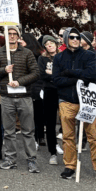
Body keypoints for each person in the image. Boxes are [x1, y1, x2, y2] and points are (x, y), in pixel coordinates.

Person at [49, 27, 96, 182]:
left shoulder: (89, 55)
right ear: (66, 39)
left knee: (94, 137)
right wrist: (78, 78)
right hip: (66, 101)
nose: (75, 40)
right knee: (68, 136)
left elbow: (91, 74)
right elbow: (57, 80)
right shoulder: (59, 58)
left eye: (78, 37)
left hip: (87, 101)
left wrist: (69, 73)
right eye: (72, 37)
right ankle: (70, 166)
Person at [0, 25, 40, 173]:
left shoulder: (27, 53)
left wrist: (19, 82)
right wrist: (4, 70)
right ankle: (10, 159)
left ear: (18, 36)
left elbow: (36, 73)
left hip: (24, 96)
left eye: (14, 34)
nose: (11, 36)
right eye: (9, 33)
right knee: (8, 131)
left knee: (28, 130)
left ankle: (32, 160)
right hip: (7, 97)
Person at [37, 35, 62, 165]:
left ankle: (68, 151)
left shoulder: (63, 56)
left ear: (56, 44)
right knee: (50, 123)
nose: (50, 45)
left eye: (52, 42)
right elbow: (42, 74)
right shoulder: (42, 58)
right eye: (47, 44)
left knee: (66, 121)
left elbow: (67, 73)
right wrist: (57, 74)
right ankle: (53, 152)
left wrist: (52, 73)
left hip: (62, 91)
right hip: (49, 92)